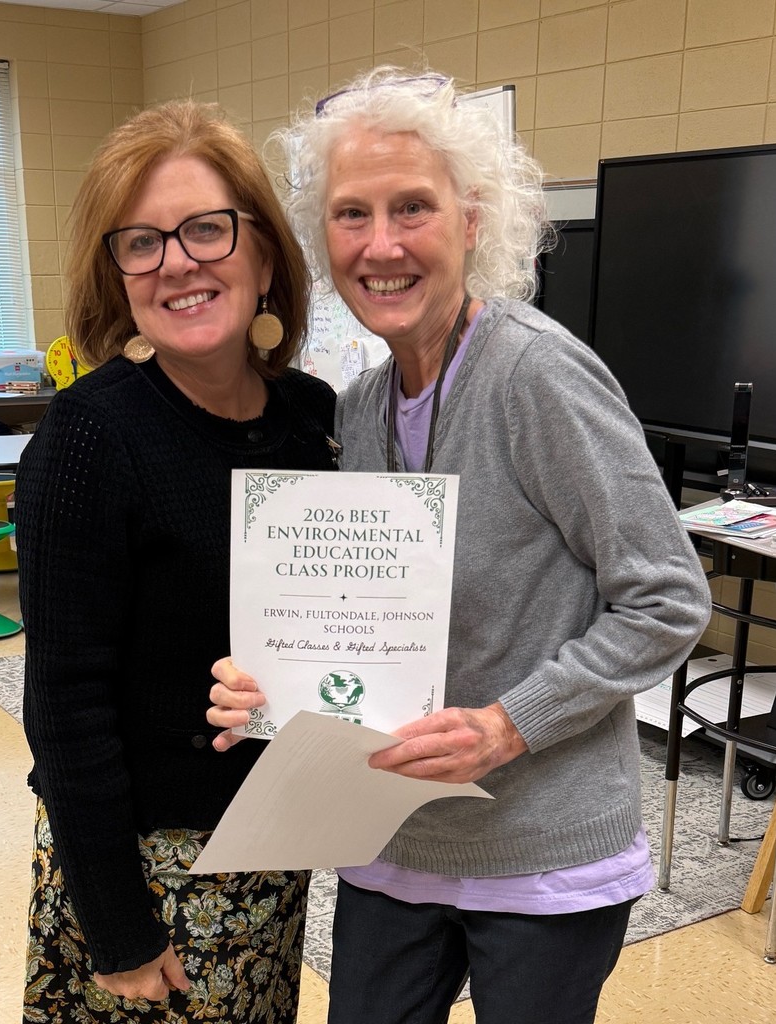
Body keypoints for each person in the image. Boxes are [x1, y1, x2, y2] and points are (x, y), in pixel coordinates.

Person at [208, 67, 713, 1024]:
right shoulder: (356, 409)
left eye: (413, 208)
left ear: (473, 222)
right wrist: (276, 680)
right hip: (389, 835)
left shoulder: (536, 376)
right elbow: (359, 616)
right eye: (352, 216)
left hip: (539, 847)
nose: (382, 244)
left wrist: (507, 724)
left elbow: (667, 599)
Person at [14, 99, 336, 1024]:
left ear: (265, 252)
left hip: (274, 842)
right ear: (117, 276)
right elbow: (64, 707)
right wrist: (117, 929)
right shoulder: (89, 439)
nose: (178, 263)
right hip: (146, 870)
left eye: (206, 229)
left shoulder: (309, 419)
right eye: (142, 242)